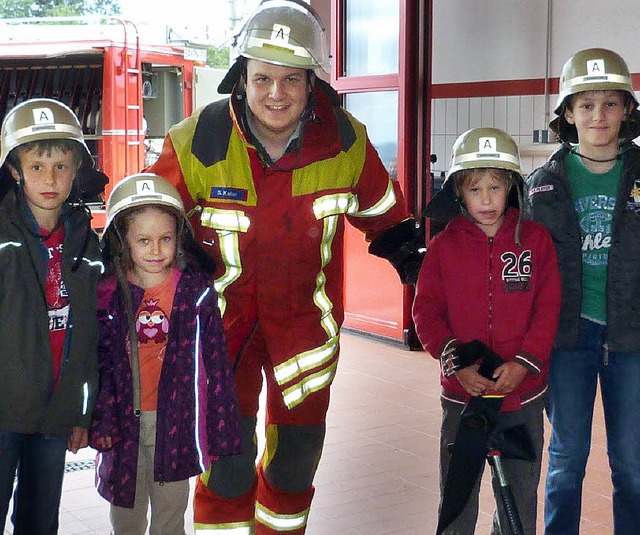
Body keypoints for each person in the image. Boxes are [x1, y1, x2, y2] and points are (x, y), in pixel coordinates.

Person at [147, 0, 423, 532]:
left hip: (306, 339)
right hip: (220, 338)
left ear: (312, 81)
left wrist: (429, 273)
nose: (276, 93)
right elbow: (148, 229)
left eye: (291, 79)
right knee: (225, 470)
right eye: (263, 78)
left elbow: (387, 221)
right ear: (241, 77)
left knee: (294, 468)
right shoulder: (197, 142)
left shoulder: (345, 142)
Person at [413, 127, 561, 534]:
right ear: (459, 192)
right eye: (475, 189)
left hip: (522, 395)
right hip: (464, 395)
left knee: (519, 495)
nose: (486, 200)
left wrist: (523, 365)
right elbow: (426, 311)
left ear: (512, 187)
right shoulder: (443, 246)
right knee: (458, 496)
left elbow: (547, 310)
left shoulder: (535, 241)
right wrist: (454, 362)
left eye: (495, 187)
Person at [525, 47, 640, 535]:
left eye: (610, 104)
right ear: (568, 113)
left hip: (632, 341)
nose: (598, 116)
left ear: (626, 111)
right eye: (586, 105)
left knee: (633, 466)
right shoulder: (541, 187)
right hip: (567, 341)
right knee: (566, 462)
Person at [89, 172, 243, 534]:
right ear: (122, 241)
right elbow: (98, 366)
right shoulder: (106, 295)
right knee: (125, 516)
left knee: (171, 515)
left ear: (179, 240)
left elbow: (216, 365)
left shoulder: (196, 293)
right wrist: (101, 420)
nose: (156, 250)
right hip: (122, 428)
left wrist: (221, 430)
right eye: (143, 240)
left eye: (165, 239)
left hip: (176, 424)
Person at [0, 98, 104, 534]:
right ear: (14, 170)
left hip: (54, 416)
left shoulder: (89, 244)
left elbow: (91, 340)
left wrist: (81, 412)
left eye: (61, 166)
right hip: (3, 413)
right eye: (38, 166)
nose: (50, 178)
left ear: (77, 169)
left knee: (41, 522)